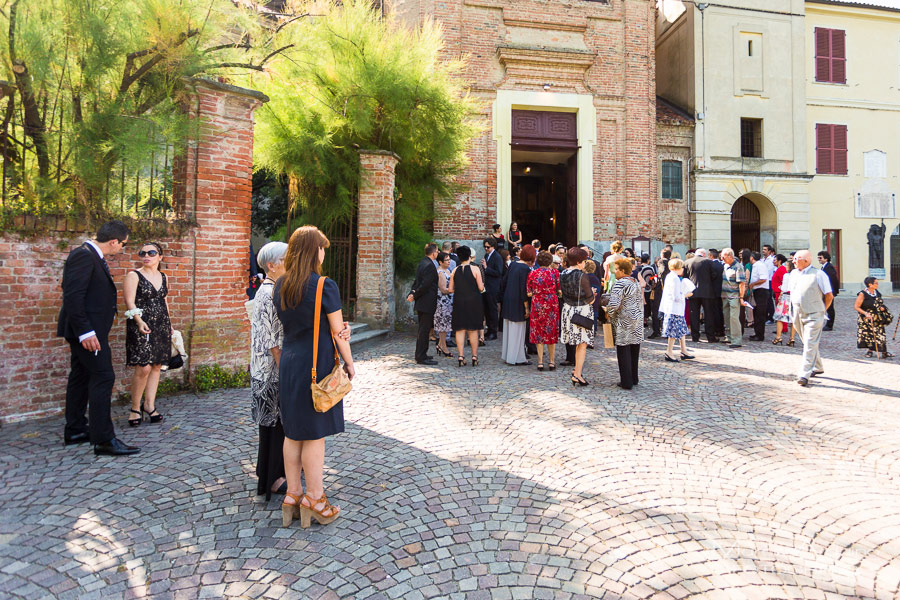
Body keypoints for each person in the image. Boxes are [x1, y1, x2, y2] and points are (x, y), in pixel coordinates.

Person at [274, 226, 355, 527]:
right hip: (316, 365)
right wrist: (349, 362)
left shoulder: (280, 284)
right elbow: (337, 331)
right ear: (314, 251)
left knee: (293, 432)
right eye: (322, 248)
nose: (324, 253)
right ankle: (316, 498)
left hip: (290, 363)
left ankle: (292, 496)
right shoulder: (324, 285)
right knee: (315, 434)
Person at [58, 220, 139, 456]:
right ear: (113, 241)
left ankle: (75, 430)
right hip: (87, 333)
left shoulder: (90, 255)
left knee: (81, 376)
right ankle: (104, 439)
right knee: (103, 377)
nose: (122, 248)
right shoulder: (83, 256)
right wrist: (85, 332)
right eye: (123, 244)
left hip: (90, 331)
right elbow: (73, 296)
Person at [249, 242, 289, 500]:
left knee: (276, 425)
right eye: (288, 259)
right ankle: (272, 478)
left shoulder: (273, 288)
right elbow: (273, 341)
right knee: (273, 425)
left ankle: (270, 471)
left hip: (268, 369)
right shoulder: (267, 293)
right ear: (272, 265)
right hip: (270, 371)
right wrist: (285, 371)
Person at [123, 242, 172, 428]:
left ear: (160, 257)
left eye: (151, 252)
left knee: (157, 365)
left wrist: (170, 325)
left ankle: (149, 405)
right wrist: (139, 321)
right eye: (142, 252)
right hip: (141, 324)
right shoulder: (133, 275)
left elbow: (164, 301)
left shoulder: (164, 276)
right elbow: (129, 302)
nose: (146, 256)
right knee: (143, 367)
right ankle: (135, 408)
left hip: (161, 324)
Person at [789, 250, 834, 386]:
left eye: (797, 259)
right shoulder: (793, 273)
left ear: (807, 260)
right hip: (797, 312)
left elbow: (829, 295)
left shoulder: (819, 274)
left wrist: (821, 310)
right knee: (808, 342)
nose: (793, 261)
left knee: (809, 342)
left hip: (814, 314)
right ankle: (818, 366)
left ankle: (804, 374)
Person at [604, 258, 644, 390]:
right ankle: (634, 378)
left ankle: (626, 381)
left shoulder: (620, 283)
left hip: (624, 320)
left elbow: (614, 304)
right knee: (634, 349)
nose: (614, 272)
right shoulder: (635, 282)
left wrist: (607, 310)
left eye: (616, 269)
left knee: (623, 349)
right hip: (637, 319)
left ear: (622, 270)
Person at [560, 247, 596, 386]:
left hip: (568, 310)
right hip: (582, 311)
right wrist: (592, 293)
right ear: (580, 262)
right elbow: (590, 299)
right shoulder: (582, 276)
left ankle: (576, 369)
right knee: (582, 344)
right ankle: (578, 374)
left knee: (575, 342)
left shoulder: (563, 273)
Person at [449, 245, 485, 366]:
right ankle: (474, 357)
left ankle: (460, 356)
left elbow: (450, 289)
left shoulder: (454, 270)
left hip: (459, 301)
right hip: (473, 301)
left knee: (460, 330)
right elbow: (481, 288)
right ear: (470, 256)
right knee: (473, 330)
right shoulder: (475, 269)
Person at [500, 245, 535, 365]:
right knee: (518, 330)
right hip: (518, 301)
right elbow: (523, 289)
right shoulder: (525, 269)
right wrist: (526, 307)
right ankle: (517, 357)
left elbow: (504, 281)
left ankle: (508, 355)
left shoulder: (513, 264)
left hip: (508, 298)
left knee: (509, 329)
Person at [527, 251, 561, 371]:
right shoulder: (555, 273)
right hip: (552, 302)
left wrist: (538, 292)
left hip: (537, 303)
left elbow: (529, 292)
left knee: (538, 331)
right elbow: (559, 290)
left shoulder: (533, 273)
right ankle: (551, 361)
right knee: (551, 331)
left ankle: (540, 361)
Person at [407, 243, 439, 365]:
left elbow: (417, 282)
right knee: (424, 330)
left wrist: (412, 293)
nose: (438, 253)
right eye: (437, 251)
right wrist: (414, 294)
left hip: (422, 302)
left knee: (423, 329)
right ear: (433, 252)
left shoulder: (422, 263)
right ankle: (421, 356)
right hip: (427, 302)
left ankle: (422, 353)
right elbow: (425, 284)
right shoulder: (430, 266)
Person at [659, 258, 694, 362]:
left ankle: (684, 350)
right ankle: (669, 352)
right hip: (674, 309)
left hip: (675, 309)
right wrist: (687, 294)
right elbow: (676, 296)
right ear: (678, 268)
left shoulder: (672, 276)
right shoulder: (674, 278)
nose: (683, 269)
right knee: (673, 332)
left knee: (681, 330)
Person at [683, 248, 719, 344]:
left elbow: (685, 278)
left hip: (693, 292)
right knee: (709, 315)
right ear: (704, 254)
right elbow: (714, 275)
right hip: (707, 292)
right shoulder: (708, 262)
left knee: (694, 314)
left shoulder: (687, 262)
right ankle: (710, 337)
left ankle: (695, 336)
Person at [855, 277, 893, 359]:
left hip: (878, 317)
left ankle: (884, 352)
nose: (877, 284)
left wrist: (882, 308)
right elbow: (856, 307)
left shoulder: (877, 293)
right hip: (866, 318)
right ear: (870, 284)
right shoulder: (862, 294)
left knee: (881, 334)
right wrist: (866, 313)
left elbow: (879, 303)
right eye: (876, 283)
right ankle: (870, 351)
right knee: (870, 334)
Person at [720, 248, 747, 348]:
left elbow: (742, 283)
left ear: (730, 256)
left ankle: (736, 340)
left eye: (723, 257)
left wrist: (741, 297)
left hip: (734, 296)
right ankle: (729, 336)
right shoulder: (725, 265)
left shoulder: (738, 267)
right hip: (725, 295)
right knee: (727, 317)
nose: (722, 259)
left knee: (734, 318)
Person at [481, 238, 504, 340]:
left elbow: (499, 272)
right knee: (487, 309)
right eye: (485, 247)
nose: (486, 248)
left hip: (493, 287)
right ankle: (489, 329)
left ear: (493, 246)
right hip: (486, 286)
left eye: (488, 247)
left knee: (493, 309)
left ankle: (493, 331)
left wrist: (486, 268)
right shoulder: (487, 255)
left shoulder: (497, 257)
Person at [434, 252, 454, 358]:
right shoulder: (440, 272)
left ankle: (440, 345)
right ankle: (443, 346)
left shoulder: (448, 270)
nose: (449, 261)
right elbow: (443, 289)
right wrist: (454, 290)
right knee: (443, 325)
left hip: (448, 301)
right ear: (440, 262)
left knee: (445, 325)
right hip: (442, 301)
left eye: (449, 259)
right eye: (446, 260)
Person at [772, 259, 796, 347]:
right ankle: (792, 338)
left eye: (787, 265)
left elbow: (785, 287)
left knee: (780, 318)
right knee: (793, 319)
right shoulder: (798, 275)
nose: (785, 267)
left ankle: (778, 337)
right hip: (794, 298)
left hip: (786, 297)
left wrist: (781, 288)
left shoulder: (787, 275)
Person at [747, 252, 770, 341]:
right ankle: (757, 333)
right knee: (757, 312)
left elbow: (763, 279)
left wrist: (752, 284)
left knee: (760, 314)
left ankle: (760, 335)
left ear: (752, 257)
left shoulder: (759, 265)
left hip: (761, 291)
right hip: (758, 290)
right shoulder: (757, 265)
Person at [649, 248, 672, 338]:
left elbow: (662, 273)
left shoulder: (662, 262)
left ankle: (656, 330)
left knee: (656, 310)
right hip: (669, 289)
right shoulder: (672, 262)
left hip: (661, 290)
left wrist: (658, 280)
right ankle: (667, 330)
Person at [818, 251, 840, 331]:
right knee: (826, 307)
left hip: (829, 291)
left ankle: (829, 325)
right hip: (825, 291)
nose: (819, 259)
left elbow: (833, 280)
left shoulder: (829, 267)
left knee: (830, 308)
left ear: (826, 259)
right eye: (818, 258)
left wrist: (833, 291)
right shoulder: (824, 267)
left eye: (820, 258)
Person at [708, 249, 725, 339]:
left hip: (712, 291)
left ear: (710, 255)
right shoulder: (721, 265)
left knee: (714, 311)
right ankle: (720, 329)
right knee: (719, 311)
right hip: (720, 290)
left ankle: (716, 329)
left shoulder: (711, 265)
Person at [762, 245, 777, 323]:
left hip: (769, 280)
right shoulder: (762, 260)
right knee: (765, 300)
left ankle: (771, 317)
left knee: (769, 299)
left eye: (765, 249)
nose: (763, 250)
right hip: (763, 281)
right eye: (763, 249)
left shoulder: (771, 260)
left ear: (769, 251)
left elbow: (768, 272)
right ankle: (766, 316)